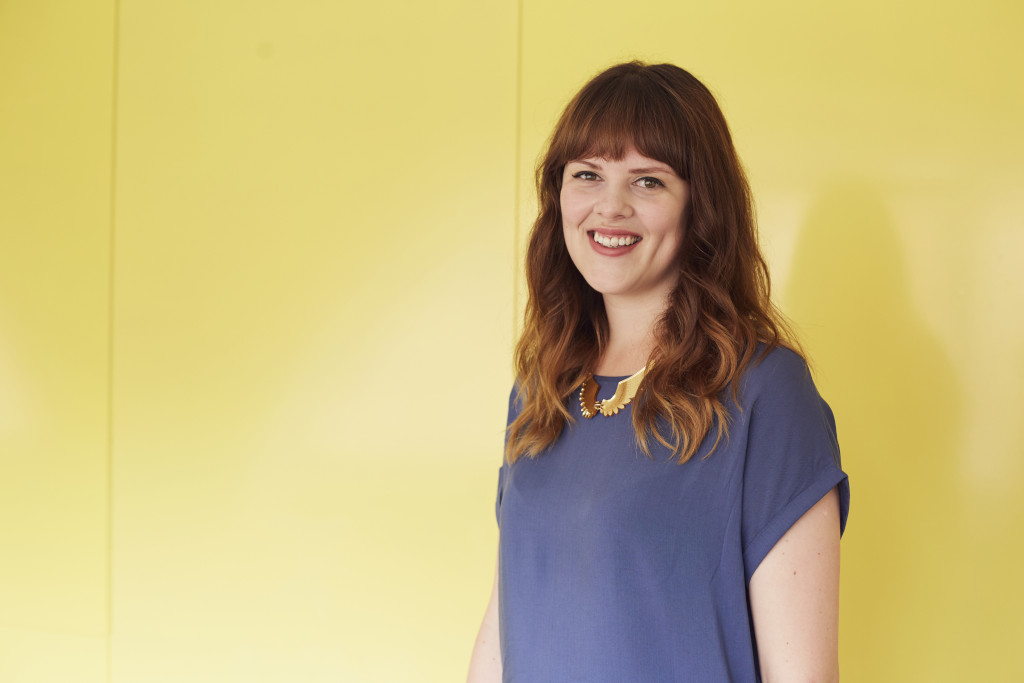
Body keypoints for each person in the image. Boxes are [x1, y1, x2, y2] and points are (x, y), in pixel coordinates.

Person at [467, 61, 849, 683]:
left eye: (648, 181)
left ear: (701, 207)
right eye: (587, 174)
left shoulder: (764, 393)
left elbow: (804, 675)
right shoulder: (541, 392)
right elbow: (508, 620)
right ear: (558, 196)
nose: (610, 206)